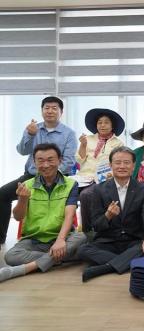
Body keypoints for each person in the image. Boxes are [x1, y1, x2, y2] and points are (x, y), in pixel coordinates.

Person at [1, 144, 86, 282]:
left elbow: (70, 215)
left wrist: (60, 240)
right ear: (34, 162)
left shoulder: (71, 184)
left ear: (60, 160)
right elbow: (18, 217)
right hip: (33, 239)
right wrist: (22, 199)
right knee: (10, 256)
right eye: (40, 160)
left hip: (62, 237)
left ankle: (25, 268)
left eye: (50, 160)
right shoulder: (27, 185)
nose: (45, 165)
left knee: (81, 237)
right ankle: (56, 259)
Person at [0, 96, 77, 249]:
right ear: (42, 111)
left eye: (54, 108)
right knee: (2, 194)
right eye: (46, 108)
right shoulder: (33, 128)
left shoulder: (69, 133)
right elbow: (22, 151)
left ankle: (59, 237)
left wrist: (50, 173)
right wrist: (29, 134)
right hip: (31, 176)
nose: (50, 111)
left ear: (61, 112)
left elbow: (68, 162)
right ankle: (1, 238)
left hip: (57, 177)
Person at [77, 146, 144, 282]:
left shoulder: (143, 189)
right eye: (118, 162)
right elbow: (96, 225)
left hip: (133, 241)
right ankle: (126, 263)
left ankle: (105, 268)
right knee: (83, 250)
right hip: (108, 241)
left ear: (133, 166)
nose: (122, 166)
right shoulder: (99, 190)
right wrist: (108, 215)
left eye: (126, 162)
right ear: (110, 165)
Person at [76, 108, 125, 232]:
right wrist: (82, 145)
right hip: (84, 177)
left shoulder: (118, 143)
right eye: (99, 122)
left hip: (106, 179)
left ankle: (88, 231)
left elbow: (119, 163)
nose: (102, 125)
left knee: (86, 195)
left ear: (112, 125)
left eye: (106, 122)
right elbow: (80, 160)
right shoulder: (88, 139)